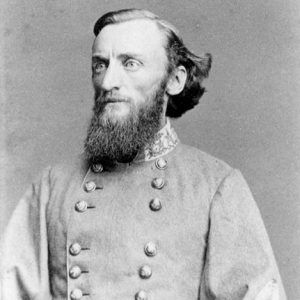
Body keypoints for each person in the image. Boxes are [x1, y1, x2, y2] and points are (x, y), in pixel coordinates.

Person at [0, 8, 286, 300]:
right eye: (100, 65)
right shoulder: (52, 186)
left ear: (174, 80)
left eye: (130, 63)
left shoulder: (216, 187)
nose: (108, 81)